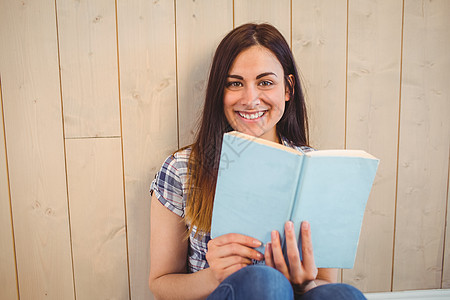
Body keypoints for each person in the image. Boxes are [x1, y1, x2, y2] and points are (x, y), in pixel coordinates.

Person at [149, 23, 366, 300]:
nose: (251, 99)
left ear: (287, 89)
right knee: (263, 282)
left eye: (265, 82)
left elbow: (324, 280)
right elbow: (160, 283)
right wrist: (214, 275)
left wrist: (304, 285)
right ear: (220, 91)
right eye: (235, 83)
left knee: (344, 294)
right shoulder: (182, 169)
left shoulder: (316, 170)